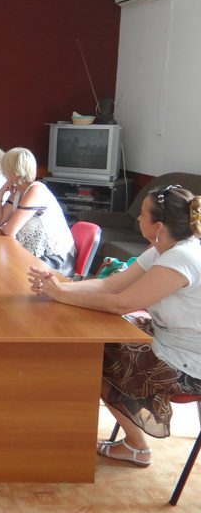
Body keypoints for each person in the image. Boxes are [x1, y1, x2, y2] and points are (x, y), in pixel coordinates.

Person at [28, 185, 201, 466]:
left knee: (94, 353)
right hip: (169, 337)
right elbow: (111, 285)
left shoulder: (180, 257)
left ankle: (137, 447)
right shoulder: (163, 249)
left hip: (189, 361)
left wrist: (60, 294)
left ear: (158, 226)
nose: (138, 218)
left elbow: (121, 303)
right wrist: (59, 286)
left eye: (142, 214)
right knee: (91, 335)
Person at [0, 147, 75, 275]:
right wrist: (0, 194)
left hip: (54, 257)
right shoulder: (18, 191)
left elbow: (9, 231)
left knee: (6, 271)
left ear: (13, 172)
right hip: (33, 253)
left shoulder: (35, 190)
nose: (3, 172)